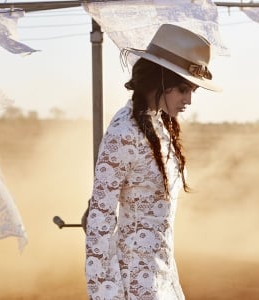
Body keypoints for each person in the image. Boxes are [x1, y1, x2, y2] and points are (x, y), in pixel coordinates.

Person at [83, 24, 220, 300]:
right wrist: (105, 293)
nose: (189, 100)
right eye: (183, 89)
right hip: (132, 283)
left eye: (193, 90)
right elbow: (100, 218)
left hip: (162, 276)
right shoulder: (124, 132)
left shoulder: (161, 125)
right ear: (161, 80)